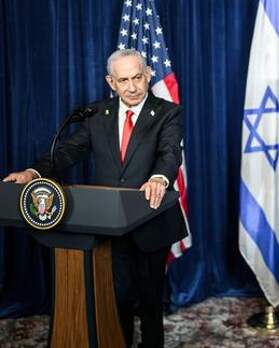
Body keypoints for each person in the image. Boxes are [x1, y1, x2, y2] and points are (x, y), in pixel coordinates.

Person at [3, 49, 187, 347]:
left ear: (148, 75)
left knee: (150, 299)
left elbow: (170, 152)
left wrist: (159, 178)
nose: (132, 87)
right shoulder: (97, 114)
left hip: (152, 219)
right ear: (111, 82)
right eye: (123, 80)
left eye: (138, 78)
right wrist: (33, 172)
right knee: (117, 298)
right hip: (110, 223)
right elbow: (68, 151)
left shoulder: (168, 112)